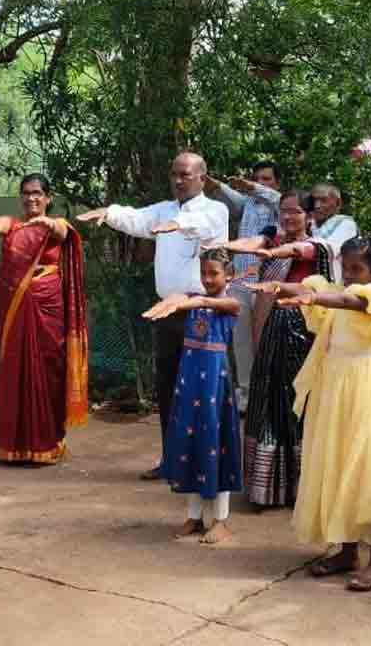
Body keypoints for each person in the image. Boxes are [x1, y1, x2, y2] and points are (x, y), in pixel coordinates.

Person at [77, 152, 229, 480]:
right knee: (169, 387)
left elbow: (204, 227)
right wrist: (111, 212)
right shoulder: (164, 209)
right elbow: (139, 219)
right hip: (167, 311)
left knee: (201, 390)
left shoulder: (215, 210)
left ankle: (202, 464)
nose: (178, 180)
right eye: (174, 174)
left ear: (202, 177)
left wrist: (179, 225)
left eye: (185, 175)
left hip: (200, 310)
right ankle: (172, 459)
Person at [266, 237, 371, 592]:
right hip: (334, 387)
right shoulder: (331, 290)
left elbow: (347, 300)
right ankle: (346, 550)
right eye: (347, 268)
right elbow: (312, 287)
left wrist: (313, 297)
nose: (351, 276)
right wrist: (279, 285)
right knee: (337, 463)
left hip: (366, 386)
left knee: (369, 468)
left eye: (358, 269)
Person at [0, 174, 89, 464]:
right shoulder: (15, 223)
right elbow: (2, 226)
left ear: (48, 198)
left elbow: (61, 231)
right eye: (26, 193)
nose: (31, 198)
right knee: (16, 371)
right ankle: (15, 445)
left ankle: (48, 442)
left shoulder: (58, 225)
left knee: (49, 370)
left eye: (37, 193)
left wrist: (49, 223)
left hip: (48, 308)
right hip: (17, 308)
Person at [230, 190, 334, 506]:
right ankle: (266, 488)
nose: (288, 217)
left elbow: (297, 251)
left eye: (295, 211)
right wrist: (228, 246)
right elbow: (254, 245)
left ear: (310, 216)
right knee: (269, 399)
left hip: (303, 332)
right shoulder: (270, 242)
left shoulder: (318, 248)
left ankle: (300, 485)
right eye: (283, 211)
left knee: (297, 402)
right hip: (273, 328)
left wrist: (272, 254)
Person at [142, 248, 242, 545]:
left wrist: (193, 299)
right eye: (204, 273)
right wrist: (176, 300)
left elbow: (227, 304)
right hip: (189, 386)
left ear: (229, 275)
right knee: (189, 444)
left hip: (214, 386)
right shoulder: (191, 301)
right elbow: (182, 299)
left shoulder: (229, 303)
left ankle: (221, 520)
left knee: (216, 443)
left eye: (214, 273)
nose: (208, 279)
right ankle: (194, 517)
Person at [204, 161, 281, 414]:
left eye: (266, 179)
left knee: (266, 338)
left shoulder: (280, 205)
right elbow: (233, 196)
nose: (261, 183)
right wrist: (217, 184)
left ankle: (270, 393)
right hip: (239, 280)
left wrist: (251, 185)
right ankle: (246, 394)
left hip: (265, 280)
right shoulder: (247, 203)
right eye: (258, 177)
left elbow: (269, 195)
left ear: (276, 183)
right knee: (241, 341)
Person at [310, 182, 359, 280]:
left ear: (338, 204)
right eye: (314, 201)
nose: (317, 206)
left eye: (323, 201)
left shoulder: (346, 224)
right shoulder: (310, 223)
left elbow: (326, 249)